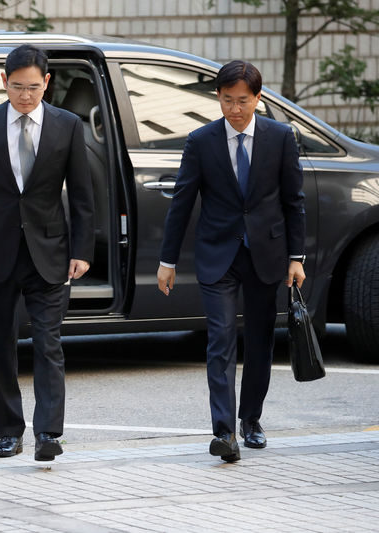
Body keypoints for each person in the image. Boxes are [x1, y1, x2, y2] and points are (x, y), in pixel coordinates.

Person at [157, 60, 306, 463]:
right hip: (217, 254)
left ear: (258, 98)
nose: (235, 109)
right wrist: (167, 260)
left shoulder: (280, 138)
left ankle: (251, 420)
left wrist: (296, 257)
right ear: (217, 97)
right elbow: (182, 203)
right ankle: (224, 432)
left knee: (259, 341)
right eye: (227, 100)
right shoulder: (201, 140)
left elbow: (293, 202)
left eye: (242, 100)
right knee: (220, 340)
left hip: (266, 255)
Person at [0, 44, 94, 461]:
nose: (26, 96)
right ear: (3, 82)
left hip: (49, 251)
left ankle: (49, 433)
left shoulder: (67, 125)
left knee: (49, 344)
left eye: (34, 87)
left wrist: (82, 250)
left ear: (47, 83)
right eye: (17, 87)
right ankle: (8, 431)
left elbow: (83, 195)